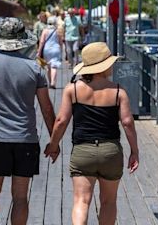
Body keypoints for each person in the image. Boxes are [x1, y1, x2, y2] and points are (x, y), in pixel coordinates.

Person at [0, 17, 57, 225]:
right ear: (22, 40)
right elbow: (46, 107)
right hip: (26, 139)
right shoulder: (34, 69)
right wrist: (54, 141)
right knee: (20, 197)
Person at [44, 42, 139, 225]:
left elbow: (61, 121)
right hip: (110, 151)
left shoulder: (72, 90)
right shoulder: (118, 91)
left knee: (81, 200)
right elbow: (127, 123)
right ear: (103, 66)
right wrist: (134, 151)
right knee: (108, 202)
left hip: (82, 151)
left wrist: (53, 145)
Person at [37, 16, 63, 89]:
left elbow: (41, 42)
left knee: (48, 67)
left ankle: (49, 82)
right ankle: (53, 82)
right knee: (54, 66)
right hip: (56, 49)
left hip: (47, 50)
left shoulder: (45, 31)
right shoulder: (58, 31)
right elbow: (61, 42)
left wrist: (39, 51)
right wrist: (61, 51)